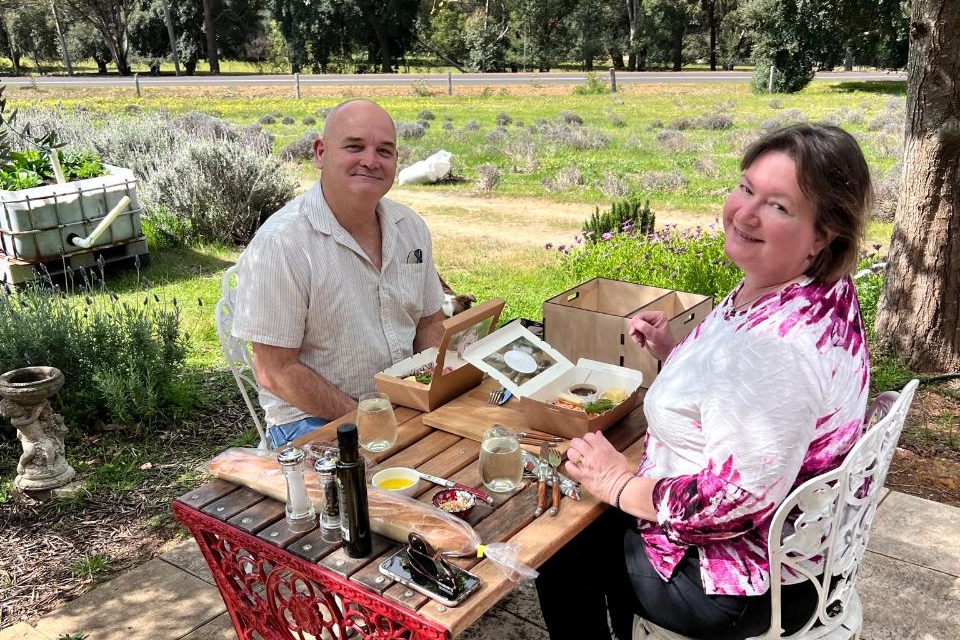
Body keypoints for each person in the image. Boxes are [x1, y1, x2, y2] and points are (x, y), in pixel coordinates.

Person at [536, 123, 873, 640]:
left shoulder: (777, 348)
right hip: (791, 552)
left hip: (733, 578)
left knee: (556, 547)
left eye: (779, 206)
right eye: (745, 188)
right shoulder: (802, 288)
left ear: (823, 236)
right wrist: (677, 354)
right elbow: (747, 396)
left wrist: (618, 483)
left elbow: (734, 500)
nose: (745, 213)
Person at [232, 99, 445, 448]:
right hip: (310, 421)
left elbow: (429, 322)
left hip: (402, 404)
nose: (371, 161)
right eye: (355, 146)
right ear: (320, 153)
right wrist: (368, 419)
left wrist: (431, 384)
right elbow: (275, 371)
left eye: (385, 151)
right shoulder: (282, 243)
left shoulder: (411, 228)